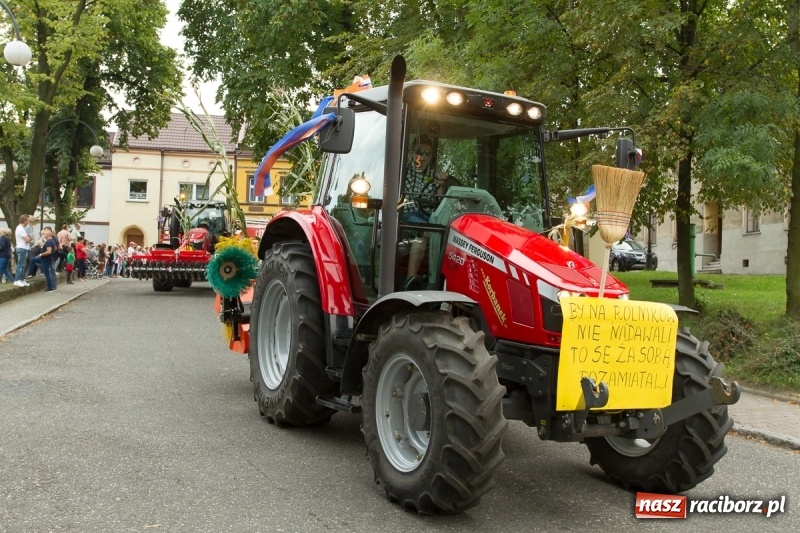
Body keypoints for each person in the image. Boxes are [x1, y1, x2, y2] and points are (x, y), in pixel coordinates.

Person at [401, 134, 449, 286]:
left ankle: (442, 282)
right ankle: (410, 281)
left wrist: (442, 184)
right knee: (424, 233)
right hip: (408, 216)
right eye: (419, 152)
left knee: (446, 233)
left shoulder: (434, 176)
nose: (422, 157)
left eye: (427, 154)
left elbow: (441, 203)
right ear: (411, 153)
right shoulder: (402, 171)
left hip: (429, 217)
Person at [33, 227, 58, 292]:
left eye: (44, 234)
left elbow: (49, 251)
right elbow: (54, 248)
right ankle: (51, 287)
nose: (43, 235)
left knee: (47, 273)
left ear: (47, 235)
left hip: (45, 259)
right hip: (47, 258)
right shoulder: (52, 241)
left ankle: (50, 288)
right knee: (33, 260)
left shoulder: (49, 242)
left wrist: (41, 254)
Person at [13, 214, 32, 287]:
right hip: (22, 247)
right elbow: (27, 239)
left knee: (24, 264)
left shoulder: (22, 228)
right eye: (27, 220)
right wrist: (30, 237)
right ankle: (17, 280)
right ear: (24, 221)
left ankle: (22, 278)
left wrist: (29, 238)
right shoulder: (20, 228)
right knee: (21, 264)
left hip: (25, 248)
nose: (28, 222)